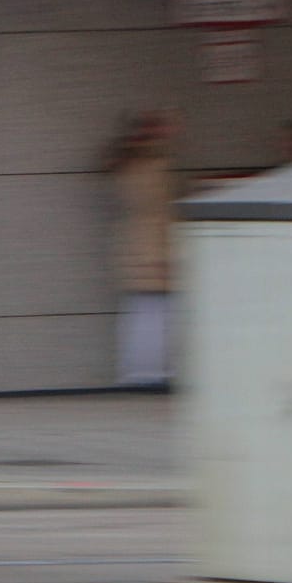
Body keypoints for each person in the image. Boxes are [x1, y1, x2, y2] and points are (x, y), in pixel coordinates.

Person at [106, 111, 179, 390]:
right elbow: (157, 211)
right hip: (151, 248)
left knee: (144, 312)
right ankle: (149, 372)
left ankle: (143, 371)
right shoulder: (149, 166)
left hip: (139, 247)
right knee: (152, 312)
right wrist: (164, 255)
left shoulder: (130, 164)